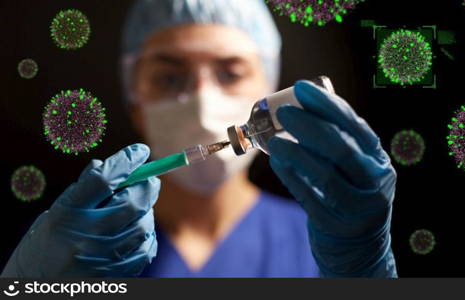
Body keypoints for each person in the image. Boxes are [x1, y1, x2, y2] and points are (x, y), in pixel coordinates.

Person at [2, 0, 397, 278]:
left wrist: (366, 274)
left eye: (230, 73)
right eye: (170, 78)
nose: (202, 101)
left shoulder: (331, 241)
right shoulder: (67, 245)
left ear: (269, 87)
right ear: (134, 100)